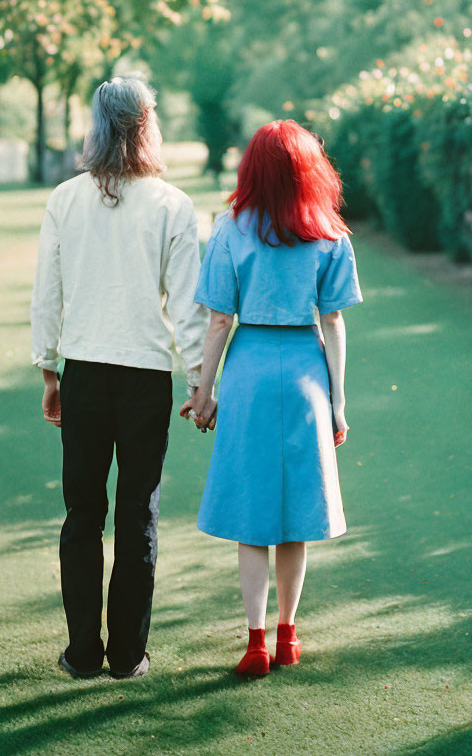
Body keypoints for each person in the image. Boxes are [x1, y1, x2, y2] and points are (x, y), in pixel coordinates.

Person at [31, 75, 209, 680]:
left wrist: (48, 369)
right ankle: (128, 654)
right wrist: (198, 382)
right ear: (147, 124)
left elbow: (46, 294)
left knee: (83, 513)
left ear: (96, 125)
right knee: (137, 513)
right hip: (144, 378)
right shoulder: (172, 204)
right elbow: (189, 306)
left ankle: (83, 652)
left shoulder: (65, 199)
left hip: (84, 370)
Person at [180, 119, 362, 676]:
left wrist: (203, 393)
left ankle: (256, 641)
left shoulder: (230, 227)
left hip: (250, 371)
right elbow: (332, 321)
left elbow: (217, 321)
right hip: (306, 374)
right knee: (295, 516)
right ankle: (289, 636)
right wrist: (337, 401)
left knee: (252, 515)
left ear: (251, 167)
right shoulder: (328, 231)